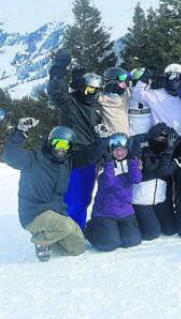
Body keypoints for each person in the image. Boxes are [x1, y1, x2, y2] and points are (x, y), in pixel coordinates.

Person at [3, 119, 85, 261]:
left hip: (55, 211)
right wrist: (19, 132)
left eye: (65, 145)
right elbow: (10, 156)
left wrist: (102, 140)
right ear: (50, 142)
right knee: (64, 226)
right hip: (33, 213)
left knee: (77, 247)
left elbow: (89, 157)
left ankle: (52, 237)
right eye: (57, 143)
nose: (61, 148)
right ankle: (40, 241)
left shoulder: (65, 162)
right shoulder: (33, 159)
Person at [47, 48, 104, 229]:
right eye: (88, 88)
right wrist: (58, 71)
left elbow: (97, 130)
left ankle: (77, 230)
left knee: (84, 198)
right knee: (69, 197)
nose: (91, 93)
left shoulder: (96, 106)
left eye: (95, 90)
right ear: (81, 87)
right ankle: (62, 230)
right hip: (70, 155)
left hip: (88, 156)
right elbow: (56, 93)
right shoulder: (71, 102)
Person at [85, 133, 143, 252]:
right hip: (105, 212)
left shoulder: (132, 162)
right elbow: (108, 184)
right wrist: (109, 163)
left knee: (132, 241)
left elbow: (136, 179)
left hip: (125, 212)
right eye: (116, 150)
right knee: (109, 244)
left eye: (123, 150)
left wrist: (132, 160)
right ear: (110, 150)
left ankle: (114, 231)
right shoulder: (103, 164)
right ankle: (91, 229)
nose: (120, 153)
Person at [132, 123, 179, 240]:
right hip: (142, 201)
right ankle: (132, 222)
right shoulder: (143, 153)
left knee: (171, 230)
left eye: (164, 138)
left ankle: (154, 218)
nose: (160, 141)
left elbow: (164, 171)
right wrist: (147, 136)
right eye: (157, 138)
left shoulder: (170, 154)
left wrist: (169, 149)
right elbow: (132, 141)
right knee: (152, 234)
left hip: (160, 201)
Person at [132, 63, 181, 137]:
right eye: (171, 76)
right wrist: (144, 79)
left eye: (178, 77)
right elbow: (136, 95)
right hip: (160, 142)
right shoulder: (155, 95)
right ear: (165, 78)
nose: (174, 80)